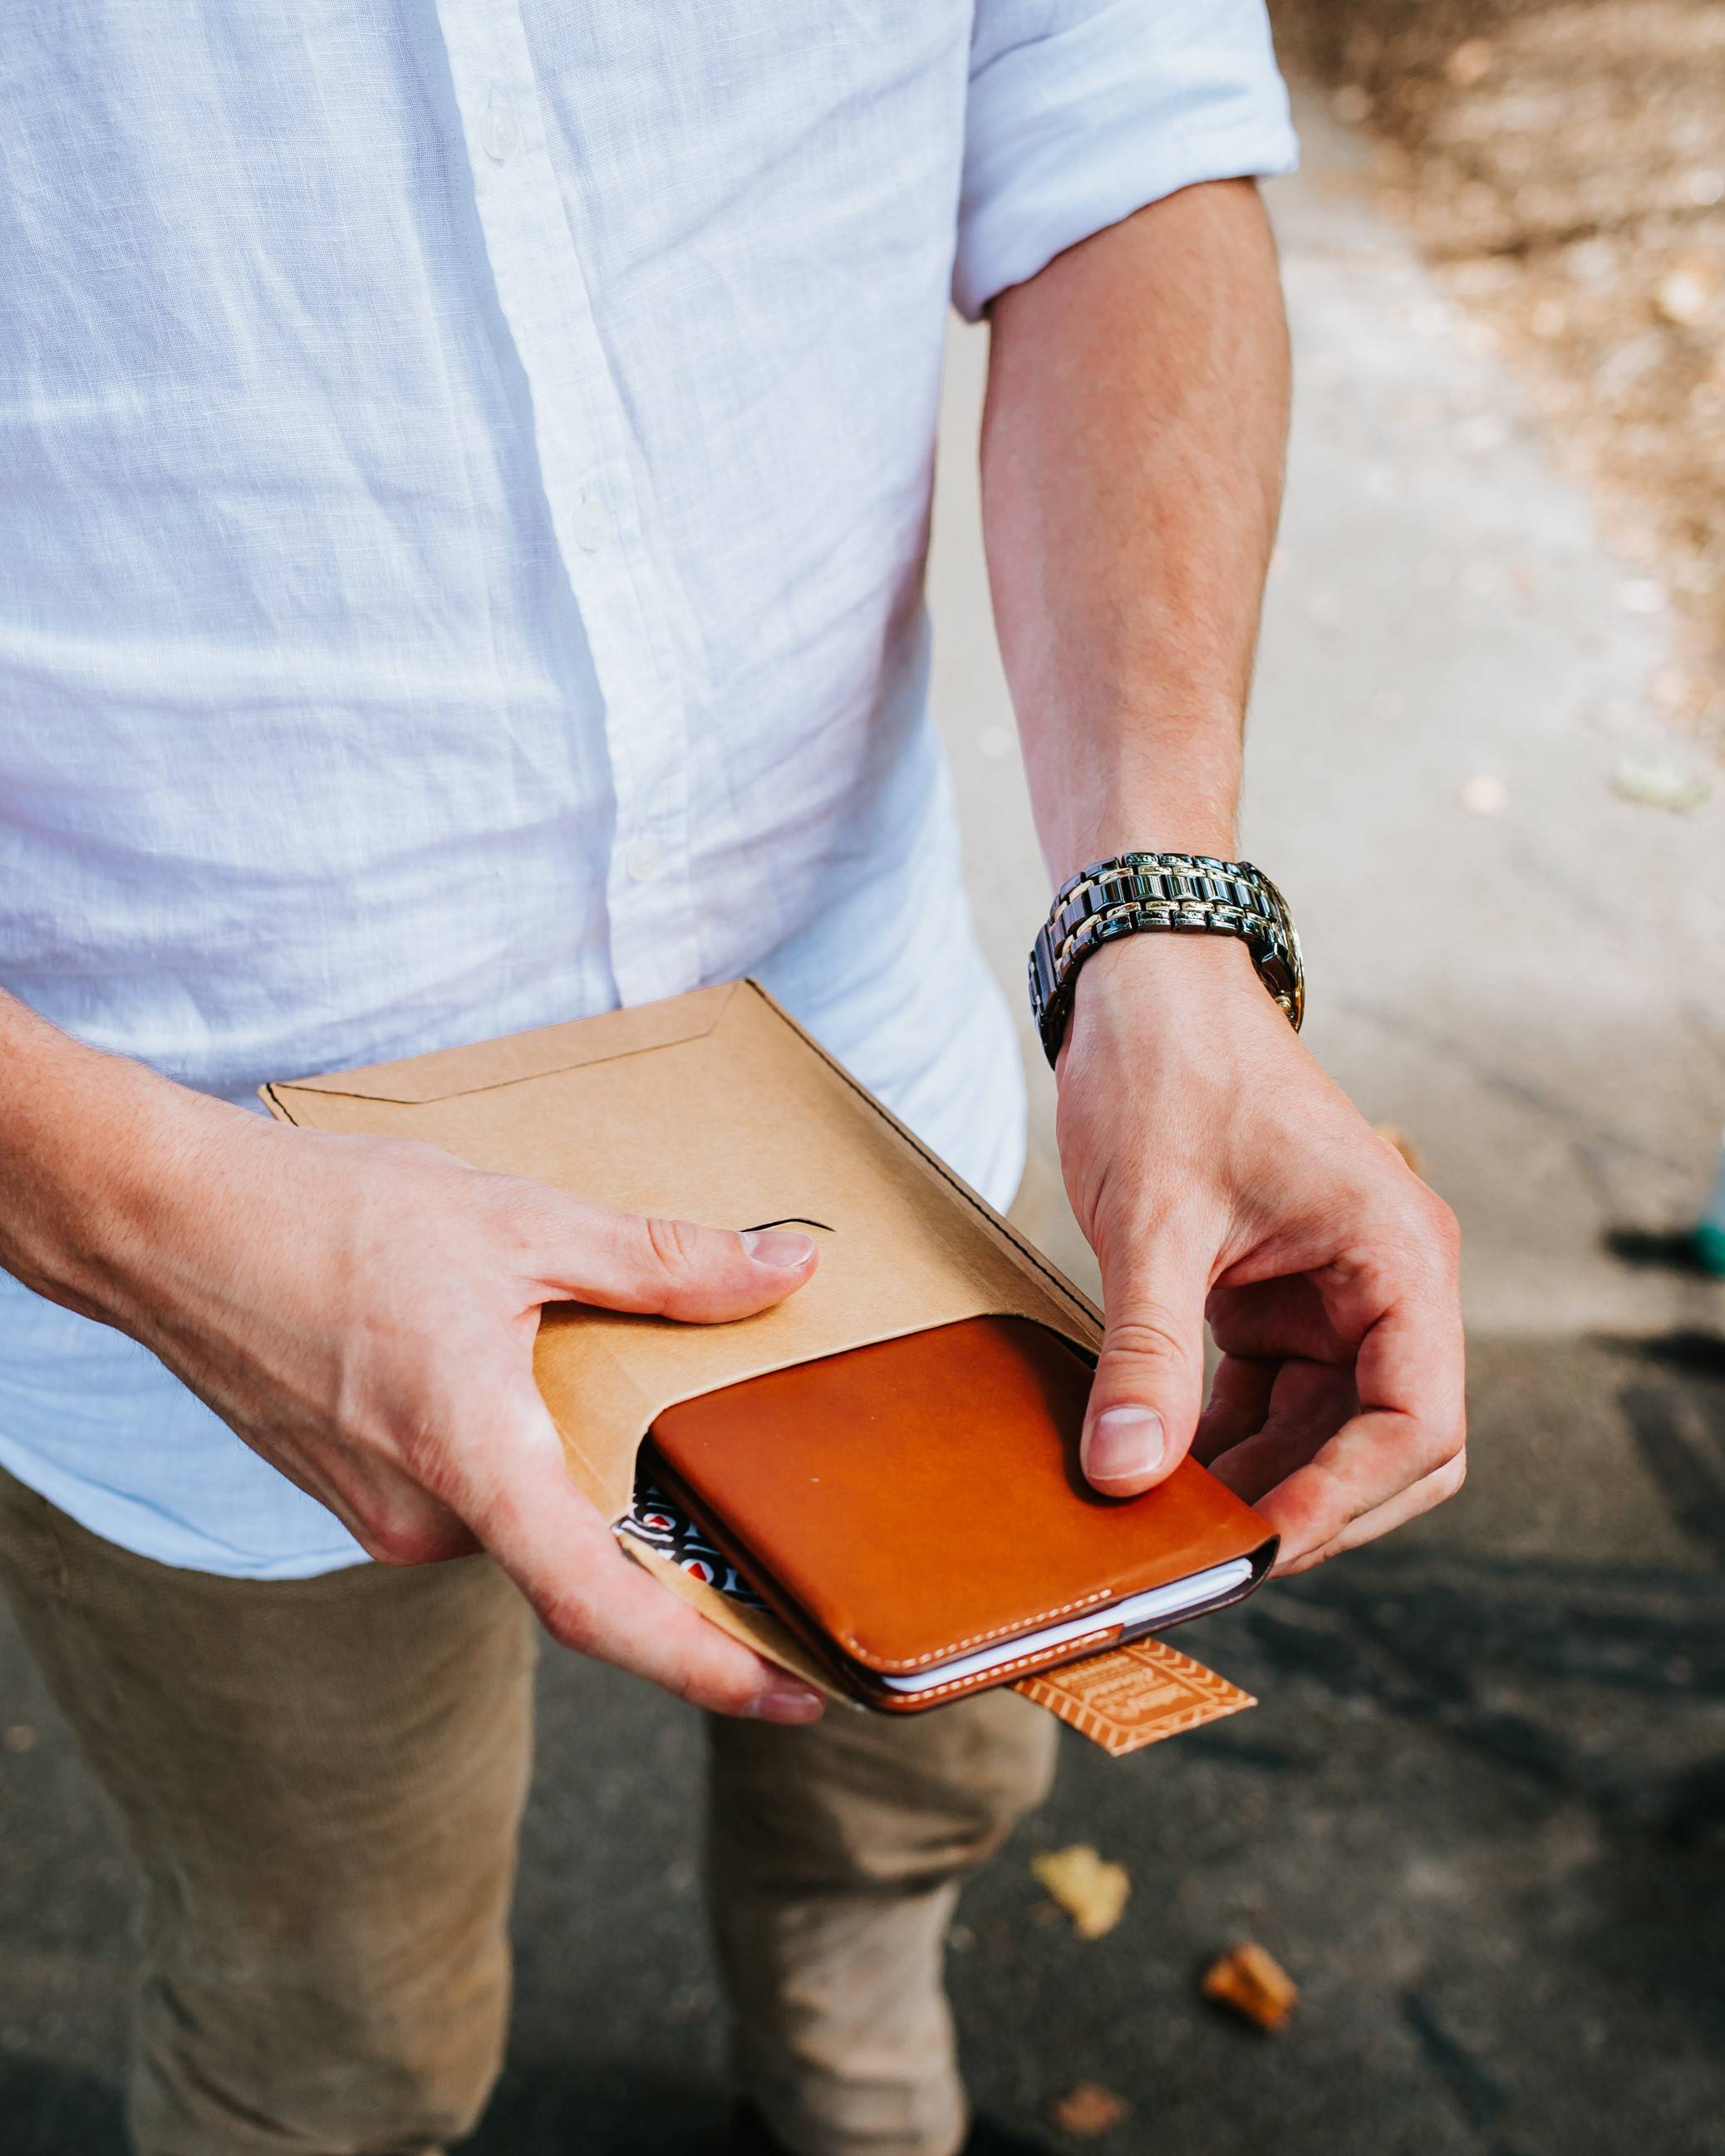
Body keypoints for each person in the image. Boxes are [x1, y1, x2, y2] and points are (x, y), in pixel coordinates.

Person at [0, 6, 1466, 2154]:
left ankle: (848, 2021)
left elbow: (1107, 104)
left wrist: (1157, 917)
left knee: (935, 1760)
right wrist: (112, 1197)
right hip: (159, 1167)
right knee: (337, 2018)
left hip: (854, 1062)